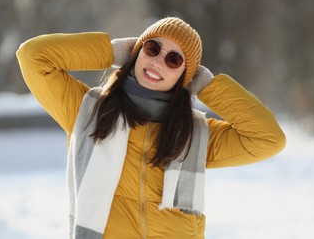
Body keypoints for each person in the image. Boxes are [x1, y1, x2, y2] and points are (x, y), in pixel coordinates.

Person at [16, 17, 286, 239]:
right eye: (152, 49)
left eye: (174, 60)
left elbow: (269, 138)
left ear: (185, 76)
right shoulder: (88, 112)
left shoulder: (197, 135)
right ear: (137, 52)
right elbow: (32, 57)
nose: (158, 62)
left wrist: (207, 86)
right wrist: (111, 52)